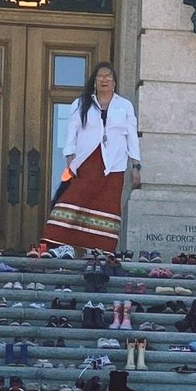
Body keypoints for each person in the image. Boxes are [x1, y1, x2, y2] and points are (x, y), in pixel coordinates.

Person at [41, 61, 141, 253]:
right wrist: (70, 159)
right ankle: (54, 245)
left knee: (107, 206)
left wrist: (136, 166)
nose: (105, 80)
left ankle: (100, 252)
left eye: (108, 77)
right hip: (86, 163)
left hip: (114, 166)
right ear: (94, 82)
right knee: (72, 201)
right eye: (100, 76)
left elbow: (132, 137)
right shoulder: (80, 104)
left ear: (114, 82)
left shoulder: (124, 106)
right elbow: (72, 134)